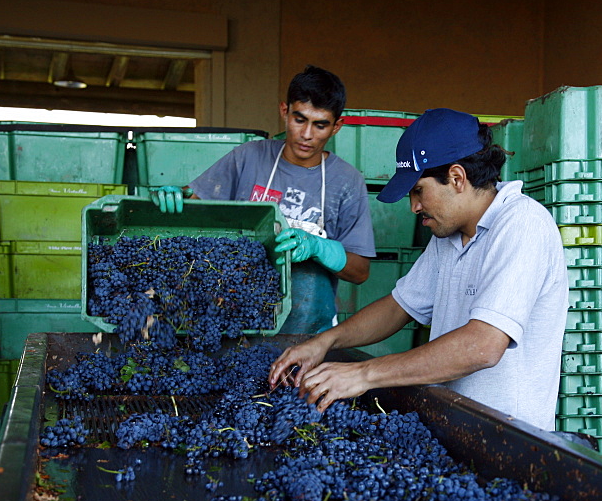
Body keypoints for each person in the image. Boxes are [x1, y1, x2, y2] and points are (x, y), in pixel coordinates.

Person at [268, 108, 569, 432]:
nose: (414, 207)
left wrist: (362, 374)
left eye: (418, 191)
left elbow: (482, 346)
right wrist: (325, 342)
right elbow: (399, 307)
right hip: (454, 428)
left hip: (509, 441)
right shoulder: (448, 236)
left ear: (457, 178)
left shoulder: (522, 225)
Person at [150, 65, 375, 334]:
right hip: (235, 325)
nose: (307, 135)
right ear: (284, 111)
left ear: (337, 126)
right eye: (299, 119)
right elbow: (192, 205)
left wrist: (320, 248)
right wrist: (172, 199)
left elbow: (360, 272)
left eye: (320, 125)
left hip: (307, 334)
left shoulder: (347, 181)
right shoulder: (248, 157)